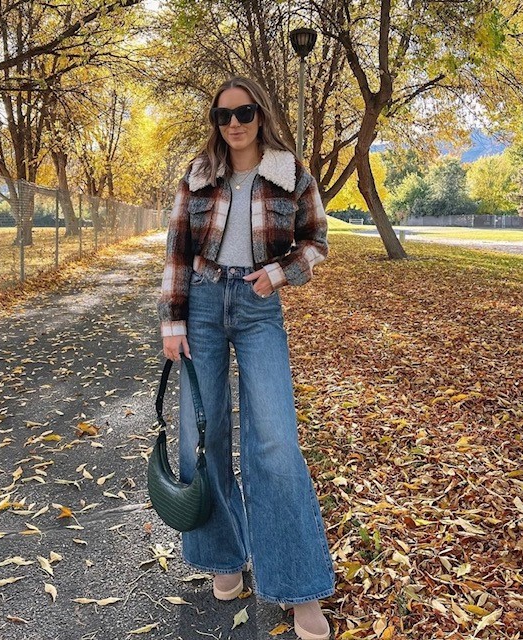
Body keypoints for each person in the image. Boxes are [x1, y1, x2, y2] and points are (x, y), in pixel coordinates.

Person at [157, 76, 335, 640]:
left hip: (258, 307)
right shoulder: (198, 175)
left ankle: (297, 584)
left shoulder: (290, 175)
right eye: (223, 115)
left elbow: (316, 242)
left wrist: (279, 273)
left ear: (262, 115)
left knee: (276, 442)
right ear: (215, 121)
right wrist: (172, 320)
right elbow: (177, 249)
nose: (234, 124)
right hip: (203, 305)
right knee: (199, 435)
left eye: (245, 113)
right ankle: (224, 555)